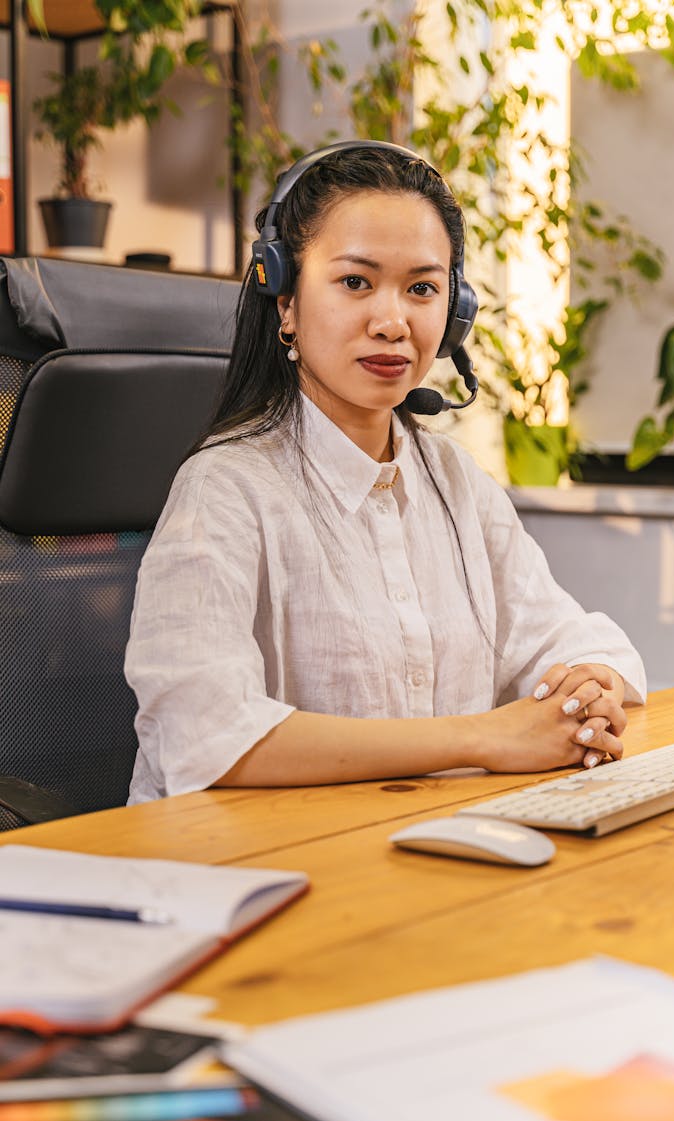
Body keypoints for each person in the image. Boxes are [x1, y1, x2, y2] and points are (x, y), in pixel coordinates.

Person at [125, 141, 646, 804]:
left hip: (417, 844)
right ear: (284, 300)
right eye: (355, 282)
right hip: (245, 871)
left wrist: (587, 684)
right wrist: (484, 738)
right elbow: (204, 734)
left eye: (422, 288)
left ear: (454, 313)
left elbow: (572, 637)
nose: (393, 321)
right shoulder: (225, 489)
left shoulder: (453, 480)